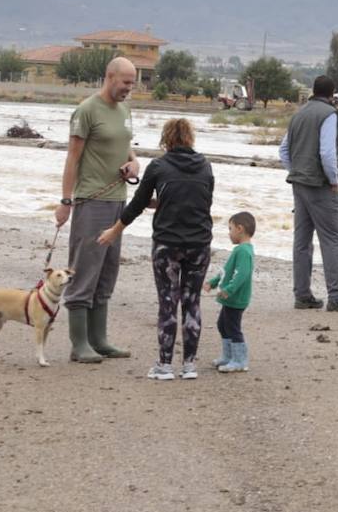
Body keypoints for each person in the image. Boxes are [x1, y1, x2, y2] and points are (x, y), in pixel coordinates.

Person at [97, 118, 214, 380]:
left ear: (166, 139)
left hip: (167, 244)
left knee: (168, 302)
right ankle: (190, 365)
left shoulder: (159, 166)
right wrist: (164, 202)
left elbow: (136, 205)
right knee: (192, 302)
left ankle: (164, 366)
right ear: (190, 138)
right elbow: (203, 201)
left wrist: (113, 231)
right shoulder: (205, 166)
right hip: (199, 242)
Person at [53, 56, 141, 364]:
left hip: (119, 200)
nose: (130, 88)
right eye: (126, 82)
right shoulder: (87, 110)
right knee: (85, 268)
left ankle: (99, 340)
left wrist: (134, 163)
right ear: (109, 77)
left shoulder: (126, 110)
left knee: (108, 270)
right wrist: (66, 201)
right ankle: (79, 345)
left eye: (133, 82)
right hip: (91, 201)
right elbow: (72, 158)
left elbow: (128, 146)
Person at [279, 75, 338, 313]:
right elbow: (327, 153)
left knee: (302, 241)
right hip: (320, 185)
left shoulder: (299, 114)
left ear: (313, 91)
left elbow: (283, 150)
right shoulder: (329, 115)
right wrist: (333, 180)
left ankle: (303, 295)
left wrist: (295, 170)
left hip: (299, 184)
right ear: (332, 94)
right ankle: (336, 296)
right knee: (331, 239)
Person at [207, 211, 257, 374]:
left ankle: (240, 361)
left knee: (232, 327)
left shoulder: (243, 251)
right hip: (230, 297)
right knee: (222, 325)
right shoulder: (239, 250)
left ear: (240, 229)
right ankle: (228, 356)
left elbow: (242, 274)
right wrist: (213, 283)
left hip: (236, 298)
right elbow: (226, 271)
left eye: (230, 229)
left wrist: (229, 290)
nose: (229, 233)